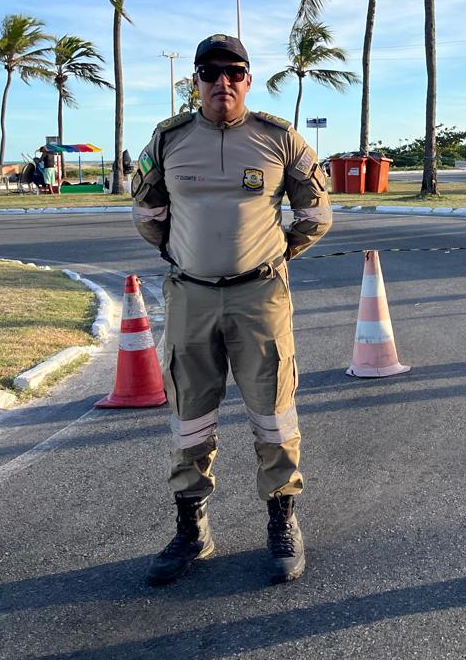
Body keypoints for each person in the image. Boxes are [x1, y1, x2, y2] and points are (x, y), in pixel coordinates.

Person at [130, 33, 333, 587]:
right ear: (194, 81)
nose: (223, 82)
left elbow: (315, 213)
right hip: (190, 296)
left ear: (248, 79)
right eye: (211, 72)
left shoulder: (278, 138)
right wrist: (183, 253)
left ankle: (282, 521)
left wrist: (274, 253)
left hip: (259, 296)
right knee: (190, 413)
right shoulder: (169, 140)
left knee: (273, 411)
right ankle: (192, 528)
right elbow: (147, 210)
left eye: (235, 72)